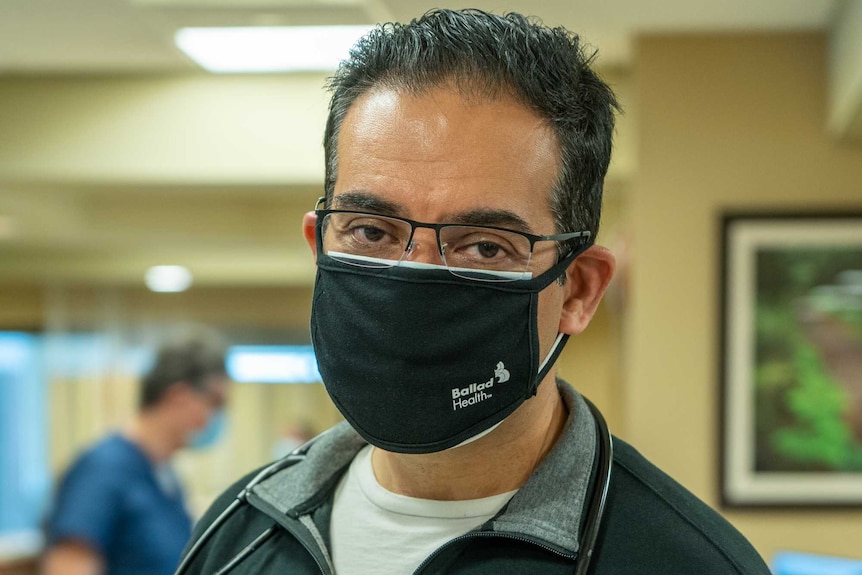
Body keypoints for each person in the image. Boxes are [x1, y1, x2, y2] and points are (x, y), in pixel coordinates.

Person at [177, 9, 770, 575]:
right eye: (371, 231)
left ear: (578, 291)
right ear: (319, 245)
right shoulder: (240, 530)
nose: (415, 276)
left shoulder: (689, 565)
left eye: (485, 246)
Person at [42, 330, 230, 575]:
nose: (217, 416)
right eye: (214, 403)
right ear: (179, 397)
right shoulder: (102, 470)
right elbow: (67, 566)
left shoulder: (162, 475)